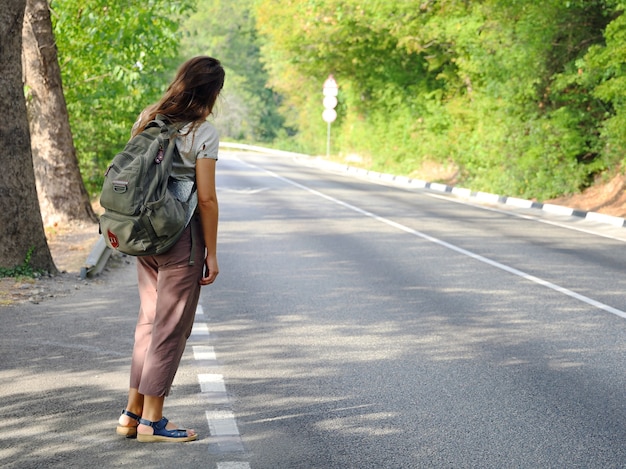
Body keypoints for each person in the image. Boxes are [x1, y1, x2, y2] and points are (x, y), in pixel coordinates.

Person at [115, 56, 225, 443]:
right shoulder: (203, 132)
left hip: (143, 234)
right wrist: (211, 252)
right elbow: (206, 200)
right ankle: (153, 423)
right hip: (181, 237)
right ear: (212, 92)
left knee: (147, 323)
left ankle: (131, 414)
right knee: (170, 329)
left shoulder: (148, 117)